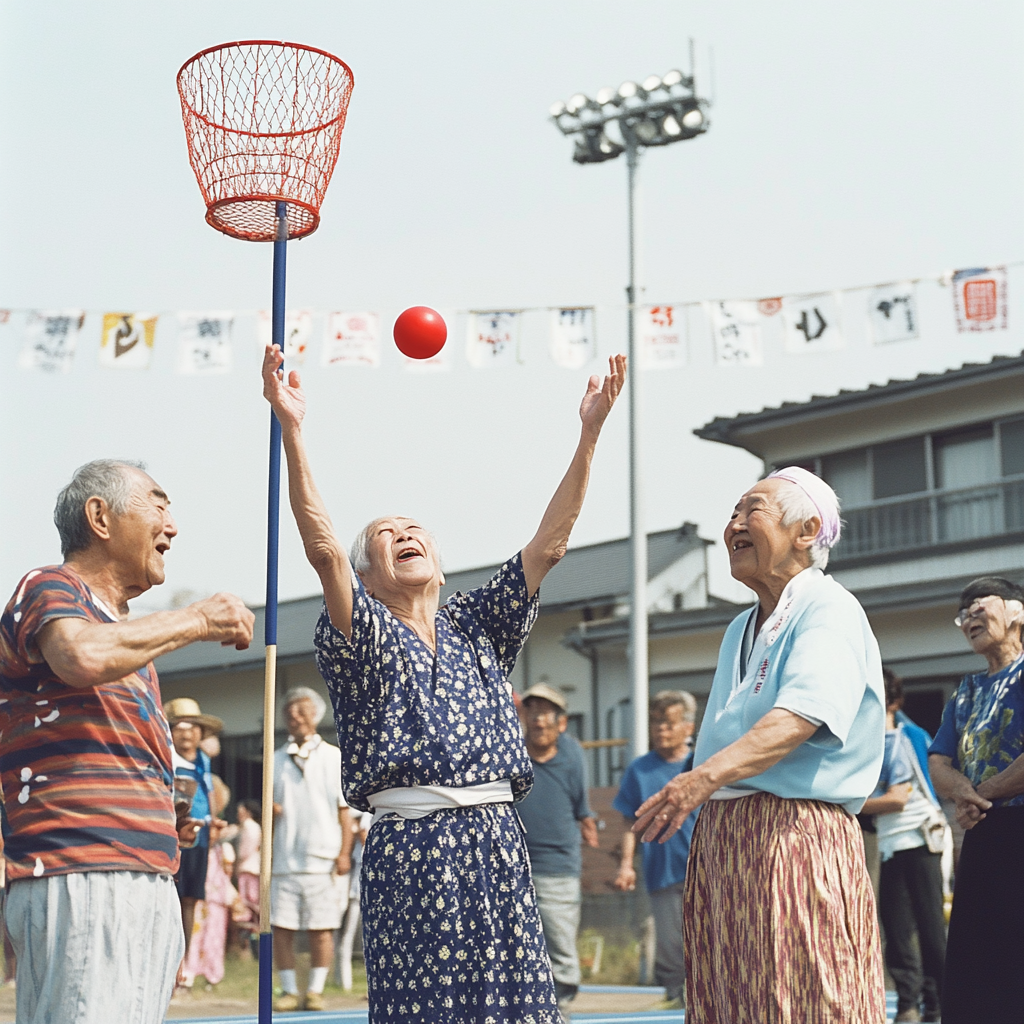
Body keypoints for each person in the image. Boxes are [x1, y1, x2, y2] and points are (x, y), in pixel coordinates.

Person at [261, 343, 625, 1024]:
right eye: (385, 535)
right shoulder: (362, 630)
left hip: (495, 837)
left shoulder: (478, 624)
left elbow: (549, 546)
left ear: (437, 556)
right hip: (411, 844)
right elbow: (319, 549)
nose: (403, 532)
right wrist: (292, 429)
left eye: (413, 528)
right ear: (366, 576)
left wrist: (591, 431)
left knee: (510, 1010)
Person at [0, 458, 254, 1024]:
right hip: (83, 865)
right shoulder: (51, 586)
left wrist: (166, 815)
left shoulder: (125, 637)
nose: (173, 525)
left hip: (142, 871)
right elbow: (81, 656)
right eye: (159, 504)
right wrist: (197, 619)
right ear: (101, 517)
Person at [632, 466, 886, 1024]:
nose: (734, 524)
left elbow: (800, 716)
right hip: (727, 840)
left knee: (808, 994)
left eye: (752, 510)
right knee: (733, 999)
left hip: (794, 836)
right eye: (732, 514)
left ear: (806, 531)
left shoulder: (829, 607)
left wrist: (700, 778)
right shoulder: (739, 627)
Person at [928, 576, 1024, 1024]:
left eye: (979, 606)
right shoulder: (965, 690)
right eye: (963, 614)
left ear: (1016, 612)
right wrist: (965, 795)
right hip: (982, 832)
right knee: (975, 955)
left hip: (1016, 825)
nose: (969, 618)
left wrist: (977, 794)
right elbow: (939, 761)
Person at [861, 670, 945, 1024]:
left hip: (922, 835)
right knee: (893, 926)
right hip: (888, 843)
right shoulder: (862, 745)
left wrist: (849, 802)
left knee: (929, 925)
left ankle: (938, 1002)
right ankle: (907, 1002)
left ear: (893, 701)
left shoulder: (907, 737)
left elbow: (897, 799)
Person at [613, 690, 700, 1009]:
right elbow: (628, 822)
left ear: (688, 728)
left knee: (709, 941)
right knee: (670, 946)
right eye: (656, 723)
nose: (661, 729)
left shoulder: (702, 764)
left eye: (669, 723)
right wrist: (626, 864)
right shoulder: (640, 769)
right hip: (661, 871)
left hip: (703, 869)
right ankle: (677, 1001)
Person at [516, 683, 599, 1019]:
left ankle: (559, 1005)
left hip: (558, 863)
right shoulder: (512, 750)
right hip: (513, 864)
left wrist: (588, 820)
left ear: (561, 723)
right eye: (532, 712)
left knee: (560, 942)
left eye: (546, 713)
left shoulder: (572, 752)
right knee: (517, 945)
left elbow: (582, 803)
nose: (539, 720)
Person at [271, 686, 355, 1013]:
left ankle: (316, 990)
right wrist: (272, 811)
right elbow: (269, 805)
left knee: (322, 928)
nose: (295, 718)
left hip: (324, 858)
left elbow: (344, 810)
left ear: (316, 715)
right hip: (284, 859)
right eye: (289, 713)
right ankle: (290, 989)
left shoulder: (334, 756)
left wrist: (344, 852)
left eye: (302, 711)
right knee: (281, 928)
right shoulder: (275, 758)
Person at [166, 696, 225, 971]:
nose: (187, 732)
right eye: (180, 726)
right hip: (174, 834)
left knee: (191, 899)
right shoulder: (165, 757)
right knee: (171, 899)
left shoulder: (202, 759)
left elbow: (208, 791)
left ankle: (184, 966)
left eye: (193, 727)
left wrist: (214, 820)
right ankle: (169, 963)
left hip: (200, 838)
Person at [234, 798, 262, 955]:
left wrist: (237, 862)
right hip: (252, 868)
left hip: (247, 869)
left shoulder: (248, 827)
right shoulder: (253, 827)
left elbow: (245, 850)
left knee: (247, 904)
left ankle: (248, 945)